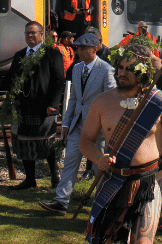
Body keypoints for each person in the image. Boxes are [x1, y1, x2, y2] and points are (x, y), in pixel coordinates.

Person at [80, 44, 162, 244]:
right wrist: (98, 158)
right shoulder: (102, 101)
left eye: (130, 69)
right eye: (120, 67)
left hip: (147, 183)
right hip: (112, 180)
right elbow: (85, 141)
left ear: (144, 72)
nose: (122, 73)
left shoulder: (160, 103)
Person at [39, 33, 116, 215]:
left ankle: (104, 202)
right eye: (78, 48)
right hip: (77, 126)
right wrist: (66, 122)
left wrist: (104, 125)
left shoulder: (106, 70)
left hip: (98, 129)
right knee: (70, 162)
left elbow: (111, 99)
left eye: (82, 48)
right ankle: (61, 201)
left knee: (100, 166)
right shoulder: (77, 68)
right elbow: (74, 98)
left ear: (94, 49)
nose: (79, 51)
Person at [0, 21, 65, 190]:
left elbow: (58, 80)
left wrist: (53, 104)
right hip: (24, 107)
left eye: (34, 33)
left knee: (47, 141)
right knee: (25, 142)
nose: (30, 36)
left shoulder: (52, 53)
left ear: (42, 35)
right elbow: (12, 77)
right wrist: (0, 84)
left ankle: (55, 176)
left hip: (45, 107)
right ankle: (30, 179)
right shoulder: (20, 55)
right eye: (27, 33)